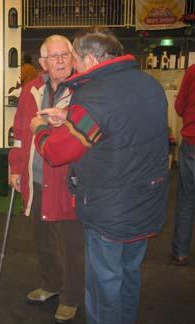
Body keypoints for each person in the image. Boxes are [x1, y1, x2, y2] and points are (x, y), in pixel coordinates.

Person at [31, 28, 169, 324]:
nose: (72, 65)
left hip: (110, 210)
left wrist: (38, 128)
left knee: (103, 284)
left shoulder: (93, 94)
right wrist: (70, 117)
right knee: (130, 276)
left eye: (75, 59)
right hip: (147, 202)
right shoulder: (149, 84)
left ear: (91, 58)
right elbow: (120, 127)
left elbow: (56, 152)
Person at [8, 35, 84, 323]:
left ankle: (72, 296)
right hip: (36, 179)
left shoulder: (84, 90)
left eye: (65, 54)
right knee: (44, 240)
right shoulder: (31, 90)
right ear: (42, 63)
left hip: (69, 182)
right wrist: (16, 168)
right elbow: (18, 134)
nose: (60, 60)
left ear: (73, 57)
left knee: (72, 244)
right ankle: (52, 284)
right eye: (53, 56)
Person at [170, 63, 195, 266]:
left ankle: (180, 251)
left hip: (192, 143)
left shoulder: (193, 71)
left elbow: (179, 107)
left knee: (187, 199)